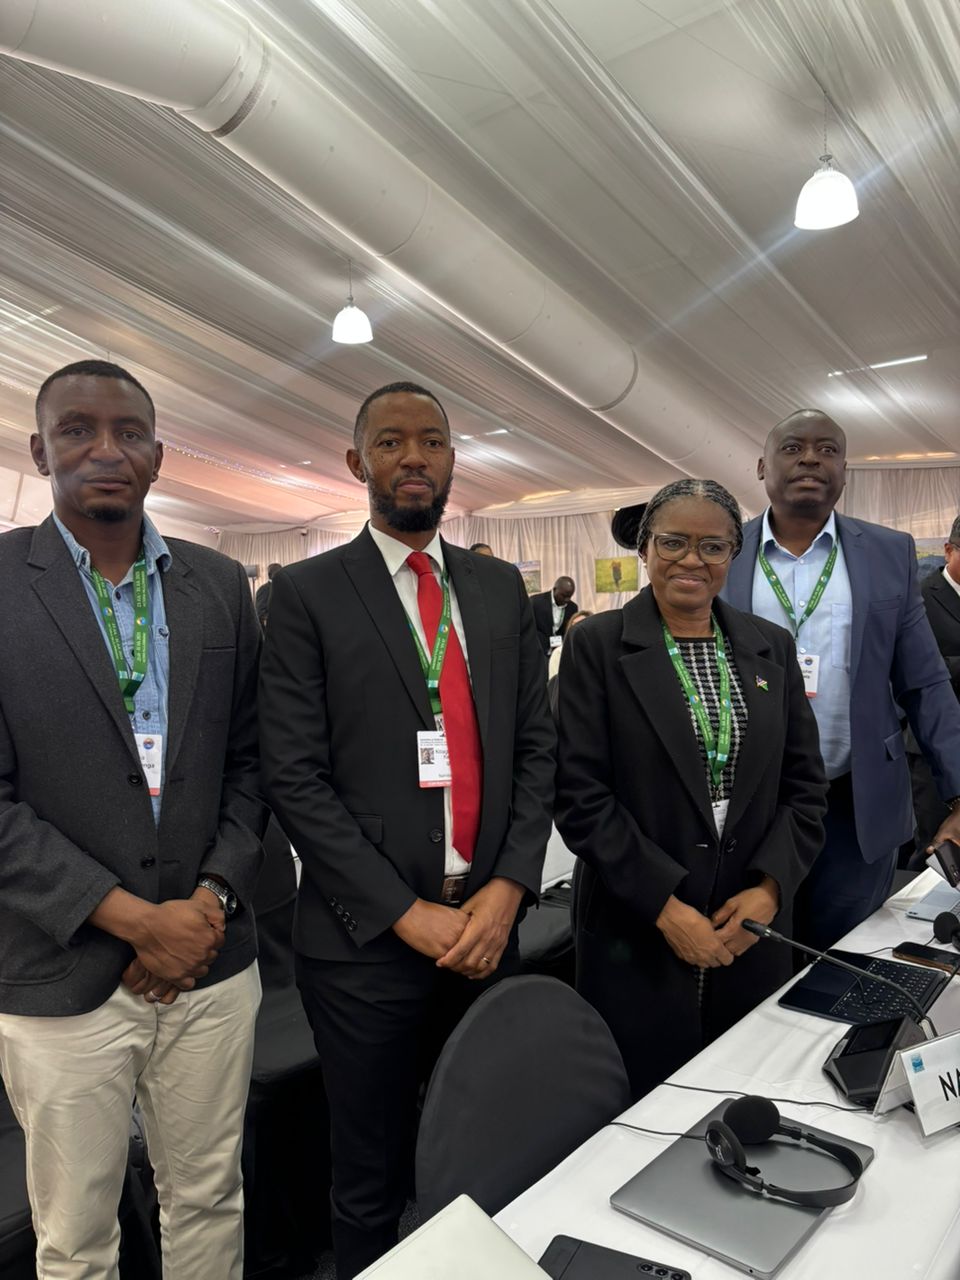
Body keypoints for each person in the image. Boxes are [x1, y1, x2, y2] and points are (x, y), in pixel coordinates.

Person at [259, 380, 555, 1278]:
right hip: (365, 947)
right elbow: (294, 776)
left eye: (432, 440)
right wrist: (403, 912)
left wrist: (509, 888)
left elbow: (536, 748)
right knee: (370, 1174)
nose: (414, 457)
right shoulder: (306, 593)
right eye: (391, 442)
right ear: (359, 462)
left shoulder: (499, 588)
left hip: (489, 927)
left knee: (490, 1147)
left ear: (455, 459)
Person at [0, 359, 265, 1278]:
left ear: (159, 454)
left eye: (129, 432)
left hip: (209, 959)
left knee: (209, 1197)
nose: (105, 449)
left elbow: (251, 765)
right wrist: (135, 921)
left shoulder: (217, 583)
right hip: (62, 967)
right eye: (77, 430)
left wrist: (210, 903)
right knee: (76, 1238)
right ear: (40, 452)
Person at [556, 478, 826, 1098]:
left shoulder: (771, 648)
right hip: (636, 920)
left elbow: (805, 787)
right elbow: (579, 794)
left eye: (713, 546)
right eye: (673, 542)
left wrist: (771, 889)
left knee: (746, 1090)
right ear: (645, 548)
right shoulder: (596, 646)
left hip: (749, 922)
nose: (691, 560)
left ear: (733, 554)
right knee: (641, 1102)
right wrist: (664, 906)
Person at [723, 410, 960, 951]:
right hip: (750, 802)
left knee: (846, 956)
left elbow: (925, 683)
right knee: (757, 956)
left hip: (857, 801)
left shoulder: (889, 551)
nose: (811, 458)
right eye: (793, 448)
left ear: (845, 471)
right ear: (761, 466)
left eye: (828, 450)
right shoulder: (724, 551)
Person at [906, 516, 960, 851]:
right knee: (937, 845)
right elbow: (913, 667)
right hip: (935, 748)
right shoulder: (919, 598)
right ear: (948, 550)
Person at [531, 575, 578, 656]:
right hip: (538, 651)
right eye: (563, 596)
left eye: (569, 596)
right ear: (555, 589)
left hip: (559, 652)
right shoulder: (535, 602)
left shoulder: (573, 607)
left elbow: (569, 632)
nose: (567, 600)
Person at [255, 560, 282, 625]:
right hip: (272, 626)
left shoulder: (283, 587)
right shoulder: (264, 589)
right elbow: (260, 611)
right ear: (270, 575)